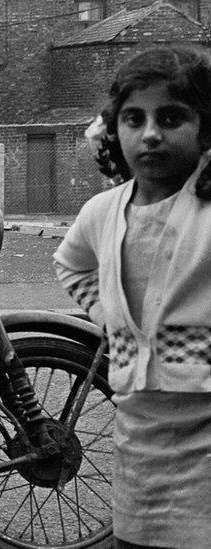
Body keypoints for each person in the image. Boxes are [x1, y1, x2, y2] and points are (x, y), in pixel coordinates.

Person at [54, 45, 211, 548]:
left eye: (171, 118)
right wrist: (108, 316)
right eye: (133, 118)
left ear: (205, 129)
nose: (150, 134)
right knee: (137, 537)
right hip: (138, 433)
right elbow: (71, 263)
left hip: (205, 427)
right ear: (113, 129)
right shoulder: (101, 212)